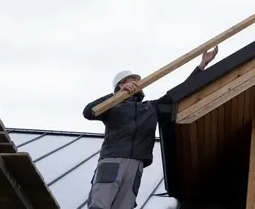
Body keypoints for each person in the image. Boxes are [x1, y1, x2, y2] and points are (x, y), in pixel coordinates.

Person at [82, 46, 220, 209]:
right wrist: (115, 97)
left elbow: (179, 93)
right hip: (113, 160)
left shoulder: (150, 108)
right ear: (121, 84)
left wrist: (202, 65)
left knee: (124, 206)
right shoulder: (112, 107)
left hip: (136, 164)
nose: (137, 83)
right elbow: (88, 112)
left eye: (137, 80)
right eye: (131, 80)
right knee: (99, 204)